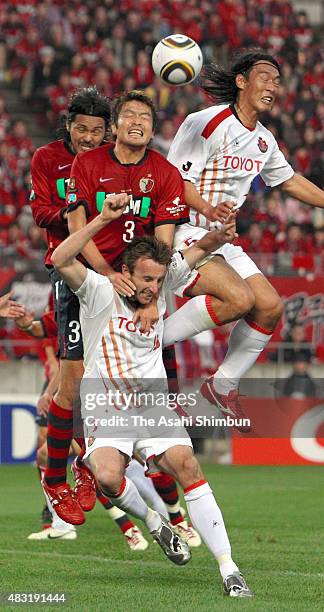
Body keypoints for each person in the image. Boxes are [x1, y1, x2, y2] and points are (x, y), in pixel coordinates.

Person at [51, 192, 252, 597]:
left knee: (188, 467)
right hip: (106, 406)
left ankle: (229, 570)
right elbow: (60, 260)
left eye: (159, 281)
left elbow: (196, 254)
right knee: (108, 477)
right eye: (146, 280)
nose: (153, 288)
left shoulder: (160, 292)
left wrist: (221, 235)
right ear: (126, 272)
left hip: (154, 407)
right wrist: (100, 221)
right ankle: (155, 521)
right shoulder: (99, 291)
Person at [40, 90, 191, 526]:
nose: (136, 122)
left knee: (157, 379)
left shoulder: (159, 171)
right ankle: (56, 480)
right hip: (90, 281)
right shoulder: (77, 165)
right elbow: (74, 231)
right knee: (73, 381)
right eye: (129, 115)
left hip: (140, 287)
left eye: (145, 116)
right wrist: (107, 274)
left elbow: (163, 242)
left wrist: (154, 293)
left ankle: (113, 472)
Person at [166, 49, 324, 425]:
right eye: (265, 77)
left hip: (222, 238)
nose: (273, 86)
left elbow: (287, 181)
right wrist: (207, 210)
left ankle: (220, 386)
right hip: (185, 229)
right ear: (241, 81)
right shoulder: (205, 122)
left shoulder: (264, 140)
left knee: (270, 307)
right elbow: (175, 182)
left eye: (277, 80)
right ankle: (147, 340)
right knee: (238, 298)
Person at [15, 305, 149, 550]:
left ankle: (136, 527)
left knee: (92, 463)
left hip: (87, 393)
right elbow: (44, 333)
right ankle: (61, 522)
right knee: (52, 455)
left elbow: (65, 365)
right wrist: (25, 323)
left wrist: (50, 392)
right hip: (73, 390)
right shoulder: (61, 304)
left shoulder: (83, 302)